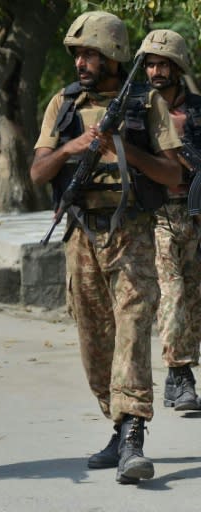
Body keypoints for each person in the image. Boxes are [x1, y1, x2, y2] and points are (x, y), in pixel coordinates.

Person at [29, 11, 183, 484]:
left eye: (91, 53)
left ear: (114, 55)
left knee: (133, 330)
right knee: (95, 343)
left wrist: (124, 149)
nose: (82, 61)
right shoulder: (64, 104)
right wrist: (71, 149)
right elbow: (37, 173)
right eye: (77, 53)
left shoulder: (146, 102)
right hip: (82, 235)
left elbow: (175, 176)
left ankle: (134, 436)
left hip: (132, 232)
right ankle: (118, 426)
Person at [137, 29, 201, 411]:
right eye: (150, 64)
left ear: (177, 68)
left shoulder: (196, 110)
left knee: (192, 297)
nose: (156, 71)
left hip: (193, 215)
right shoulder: (138, 110)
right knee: (173, 294)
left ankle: (179, 377)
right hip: (155, 214)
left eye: (163, 64)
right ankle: (180, 375)